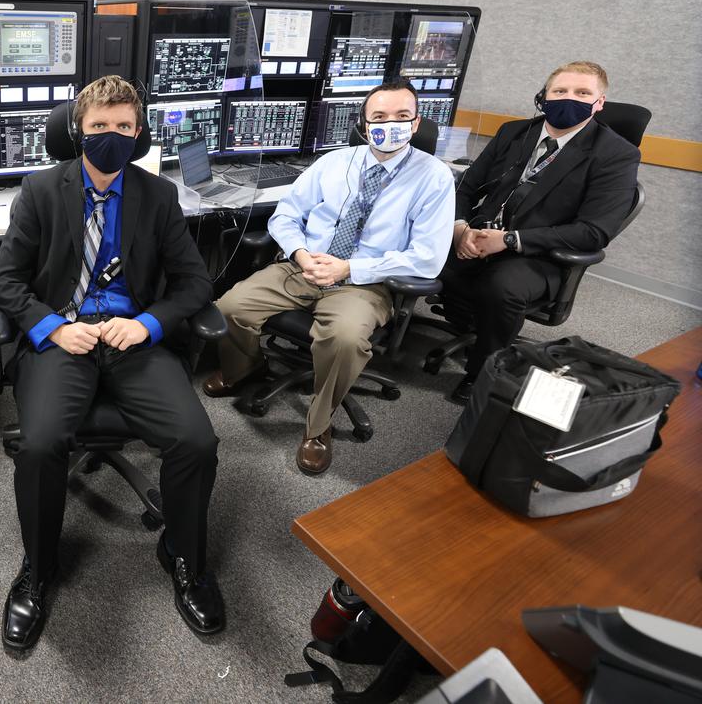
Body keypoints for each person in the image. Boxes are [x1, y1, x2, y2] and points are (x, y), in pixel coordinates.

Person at [0, 75, 223, 651]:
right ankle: (37, 571)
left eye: (123, 127)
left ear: (138, 134)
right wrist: (52, 327)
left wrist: (146, 323)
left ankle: (186, 557)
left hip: (132, 339)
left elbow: (194, 281)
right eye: (99, 127)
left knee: (196, 439)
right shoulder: (41, 191)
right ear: (78, 130)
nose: (110, 136)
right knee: (41, 444)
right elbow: (5, 281)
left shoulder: (157, 196)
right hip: (62, 338)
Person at [207, 80, 454, 474]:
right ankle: (245, 368)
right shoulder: (335, 162)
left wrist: (350, 267)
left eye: (402, 117)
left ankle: (318, 428)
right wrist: (302, 254)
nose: (390, 124)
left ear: (416, 122)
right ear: (363, 122)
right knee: (228, 306)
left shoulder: (434, 177)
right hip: (306, 264)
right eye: (379, 117)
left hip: (367, 281)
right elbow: (285, 215)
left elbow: (427, 258)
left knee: (342, 338)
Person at [439, 61, 639, 403]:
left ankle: (483, 374)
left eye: (582, 93)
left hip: (538, 255)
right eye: (560, 91)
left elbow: (593, 232)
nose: (569, 99)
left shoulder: (616, 154)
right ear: (543, 95)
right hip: (478, 234)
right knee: (409, 245)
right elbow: (465, 188)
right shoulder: (514, 133)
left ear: (599, 103)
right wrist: (460, 229)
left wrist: (510, 241)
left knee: (501, 287)